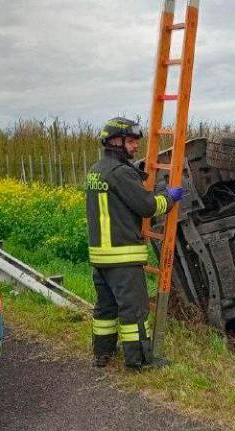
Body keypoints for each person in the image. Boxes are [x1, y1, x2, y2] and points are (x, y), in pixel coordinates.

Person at [86, 117, 184, 370]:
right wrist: (169, 198)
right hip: (122, 257)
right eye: (130, 141)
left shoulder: (96, 170)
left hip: (100, 257)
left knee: (105, 309)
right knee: (135, 312)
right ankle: (139, 361)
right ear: (115, 142)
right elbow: (148, 207)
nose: (134, 146)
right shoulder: (120, 173)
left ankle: (102, 354)